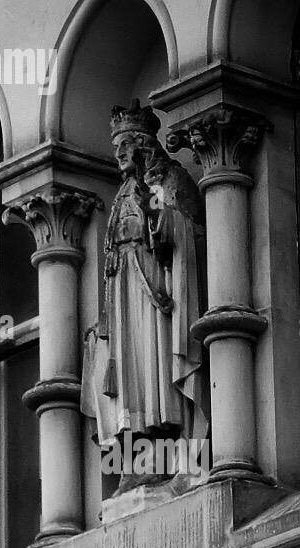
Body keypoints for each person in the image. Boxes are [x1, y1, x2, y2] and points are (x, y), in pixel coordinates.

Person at [82, 100, 206, 494]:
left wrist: (156, 217)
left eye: (125, 145)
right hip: (123, 292)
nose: (119, 154)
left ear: (143, 143)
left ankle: (167, 455)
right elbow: (110, 256)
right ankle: (136, 460)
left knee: (154, 370)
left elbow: (189, 229)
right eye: (116, 146)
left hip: (156, 292)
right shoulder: (122, 193)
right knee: (128, 375)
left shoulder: (166, 179)